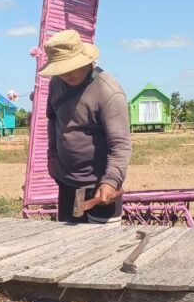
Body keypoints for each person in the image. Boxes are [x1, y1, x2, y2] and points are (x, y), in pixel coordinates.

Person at [38, 29, 131, 224]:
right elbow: (53, 121)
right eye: (61, 69)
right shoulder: (56, 83)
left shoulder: (108, 91)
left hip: (99, 185)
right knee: (68, 248)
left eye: (70, 67)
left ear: (85, 60)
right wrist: (52, 158)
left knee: (104, 250)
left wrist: (110, 181)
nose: (66, 74)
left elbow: (120, 144)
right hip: (67, 182)